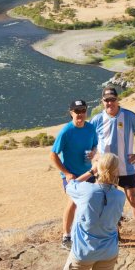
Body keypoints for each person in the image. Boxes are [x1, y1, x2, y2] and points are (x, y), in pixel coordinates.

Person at [89, 87, 135, 248]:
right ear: (102, 101)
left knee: (132, 198)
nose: (110, 103)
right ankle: (114, 234)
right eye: (106, 100)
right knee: (107, 202)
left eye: (112, 99)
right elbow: (88, 141)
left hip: (126, 168)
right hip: (105, 170)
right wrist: (94, 157)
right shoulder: (97, 119)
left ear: (117, 100)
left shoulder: (129, 116)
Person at [62, 153, 126, 270]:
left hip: (83, 252)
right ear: (116, 171)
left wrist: (91, 171)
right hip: (108, 251)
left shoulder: (85, 190)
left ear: (98, 168)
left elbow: (70, 186)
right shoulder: (120, 196)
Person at [51, 99, 98, 249]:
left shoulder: (90, 128)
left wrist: (93, 153)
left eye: (83, 110)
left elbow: (95, 145)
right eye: (77, 111)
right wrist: (66, 173)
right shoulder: (66, 131)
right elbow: (53, 155)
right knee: (73, 202)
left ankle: (85, 233)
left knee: (88, 203)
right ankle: (66, 237)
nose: (80, 114)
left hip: (88, 173)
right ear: (71, 113)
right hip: (71, 175)